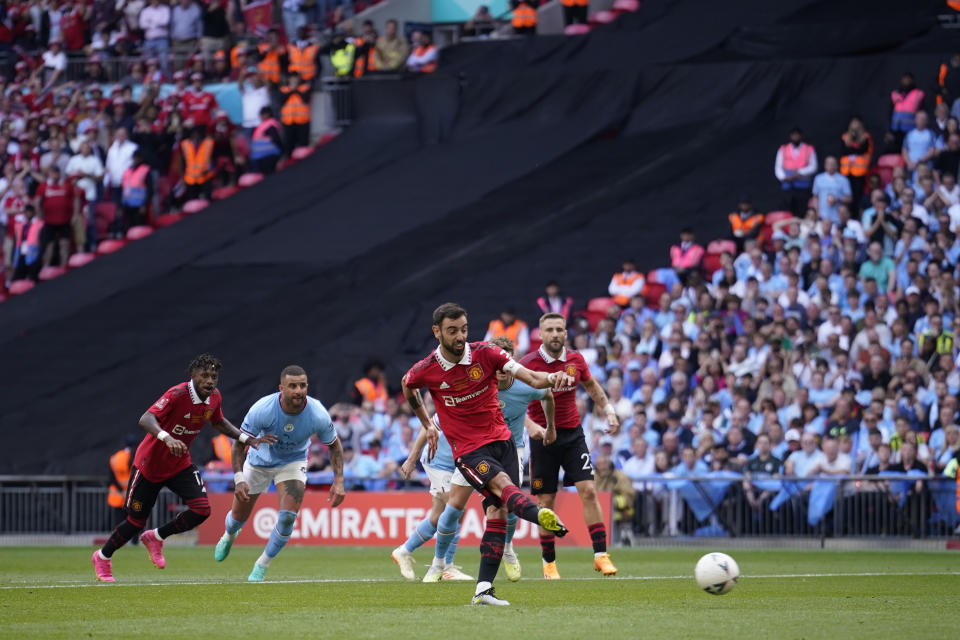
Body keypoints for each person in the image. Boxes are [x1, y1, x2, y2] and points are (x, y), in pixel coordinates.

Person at [400, 302, 573, 606]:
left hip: (503, 442)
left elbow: (532, 378)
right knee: (504, 488)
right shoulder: (427, 369)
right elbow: (407, 384)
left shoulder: (486, 353)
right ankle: (538, 515)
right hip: (468, 451)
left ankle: (483, 589)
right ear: (437, 332)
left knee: (498, 511)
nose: (460, 336)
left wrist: (553, 378)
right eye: (452, 330)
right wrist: (427, 423)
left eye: (463, 329)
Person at [92, 354, 274, 582]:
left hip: (179, 464)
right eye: (205, 376)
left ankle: (157, 537)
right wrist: (167, 438)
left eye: (214, 377)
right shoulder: (177, 394)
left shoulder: (214, 397)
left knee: (202, 510)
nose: (210, 381)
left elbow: (218, 422)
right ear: (193, 376)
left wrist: (247, 439)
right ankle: (102, 556)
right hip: (150, 465)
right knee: (135, 522)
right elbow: (146, 418)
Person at [213, 365, 346, 581]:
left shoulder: (318, 413)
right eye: (292, 386)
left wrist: (339, 481)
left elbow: (334, 444)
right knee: (238, 518)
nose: (298, 391)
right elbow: (238, 444)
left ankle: (262, 564)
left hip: (292, 463)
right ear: (281, 388)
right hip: (259, 463)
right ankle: (229, 535)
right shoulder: (262, 409)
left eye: (302, 385)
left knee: (287, 519)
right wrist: (238, 479)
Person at [520, 312, 620, 579]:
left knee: (588, 490)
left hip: (572, 435)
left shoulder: (575, 360)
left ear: (566, 333)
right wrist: (532, 428)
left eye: (559, 330)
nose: (555, 334)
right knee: (546, 500)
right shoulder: (527, 364)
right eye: (549, 330)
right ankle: (549, 562)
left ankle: (601, 556)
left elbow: (590, 384)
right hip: (542, 439)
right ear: (540, 334)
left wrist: (608, 410)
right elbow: (512, 402)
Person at [393, 415, 474, 582]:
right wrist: (411, 459)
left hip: (457, 464)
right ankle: (447, 566)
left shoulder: (482, 403)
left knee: (438, 517)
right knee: (457, 509)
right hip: (438, 463)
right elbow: (427, 426)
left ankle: (403, 551)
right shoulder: (454, 401)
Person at [35, 165, 80, 268]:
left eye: (56, 172)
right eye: (52, 173)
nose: (54, 175)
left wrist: (75, 214)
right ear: (49, 174)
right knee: (48, 245)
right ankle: (46, 267)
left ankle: (64, 266)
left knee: (64, 244)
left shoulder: (66, 185)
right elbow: (37, 201)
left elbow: (75, 199)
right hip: (49, 220)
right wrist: (39, 214)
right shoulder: (44, 186)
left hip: (64, 219)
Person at [775, 127, 818, 216]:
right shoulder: (783, 149)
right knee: (787, 211)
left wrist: (799, 173)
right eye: (793, 135)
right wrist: (784, 177)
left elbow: (813, 166)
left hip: (803, 186)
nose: (795, 137)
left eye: (797, 135)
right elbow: (778, 167)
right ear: (790, 136)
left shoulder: (808, 149)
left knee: (802, 210)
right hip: (788, 186)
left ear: (801, 136)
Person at [107, 434, 140, 534]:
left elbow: (112, 479)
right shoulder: (139, 457)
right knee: (136, 519)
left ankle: (119, 541)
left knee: (119, 521)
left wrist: (122, 491)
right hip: (135, 495)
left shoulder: (115, 458)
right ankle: (135, 542)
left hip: (119, 496)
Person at [839, 116, 873, 211]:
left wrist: (852, 150)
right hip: (846, 171)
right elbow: (843, 150)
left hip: (859, 172)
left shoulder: (865, 137)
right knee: (846, 195)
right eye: (853, 123)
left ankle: (856, 215)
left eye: (857, 123)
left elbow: (863, 149)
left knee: (857, 196)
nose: (855, 125)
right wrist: (854, 150)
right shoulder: (845, 137)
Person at [812, 156, 852, 224]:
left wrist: (837, 199)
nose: (831, 166)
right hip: (822, 217)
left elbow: (849, 198)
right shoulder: (818, 178)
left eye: (833, 164)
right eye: (829, 164)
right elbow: (815, 197)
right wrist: (817, 212)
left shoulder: (843, 180)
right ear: (825, 165)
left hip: (838, 218)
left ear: (837, 165)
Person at [120, 150, 152, 230]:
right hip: (128, 206)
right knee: (129, 229)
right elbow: (124, 188)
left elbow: (150, 190)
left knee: (139, 228)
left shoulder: (145, 170)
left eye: (137, 158)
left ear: (141, 159)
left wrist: (144, 205)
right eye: (134, 158)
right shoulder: (128, 171)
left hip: (139, 206)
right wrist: (122, 205)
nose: (135, 160)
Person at [279, 72, 311, 153]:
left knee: (303, 145)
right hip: (289, 122)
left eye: (296, 78)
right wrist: (291, 90)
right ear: (289, 79)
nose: (294, 80)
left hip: (302, 122)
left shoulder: (305, 88)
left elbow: (306, 99)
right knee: (289, 146)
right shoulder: (284, 89)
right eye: (292, 78)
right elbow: (282, 100)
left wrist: (295, 89)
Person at [250, 106, 284, 175]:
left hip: (269, 155)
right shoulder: (262, 125)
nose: (261, 116)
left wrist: (281, 152)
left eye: (263, 114)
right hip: (260, 157)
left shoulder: (271, 125)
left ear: (268, 114)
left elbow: (276, 139)